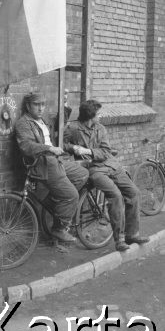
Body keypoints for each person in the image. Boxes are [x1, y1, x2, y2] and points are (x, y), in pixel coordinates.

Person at [63, 99, 150, 252]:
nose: (100, 117)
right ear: (90, 116)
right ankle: (120, 240)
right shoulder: (73, 128)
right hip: (94, 170)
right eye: (98, 114)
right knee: (115, 195)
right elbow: (61, 143)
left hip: (112, 166)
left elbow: (105, 151)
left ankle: (132, 234)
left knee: (134, 193)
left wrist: (88, 151)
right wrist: (73, 147)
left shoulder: (101, 129)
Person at [15, 91, 89, 243]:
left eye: (42, 105)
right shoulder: (23, 123)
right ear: (28, 106)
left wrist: (65, 105)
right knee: (71, 195)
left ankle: (58, 201)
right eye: (36, 105)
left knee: (82, 173)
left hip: (55, 160)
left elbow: (59, 124)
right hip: (42, 164)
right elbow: (26, 146)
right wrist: (48, 149)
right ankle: (59, 229)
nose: (40, 108)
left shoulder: (43, 120)